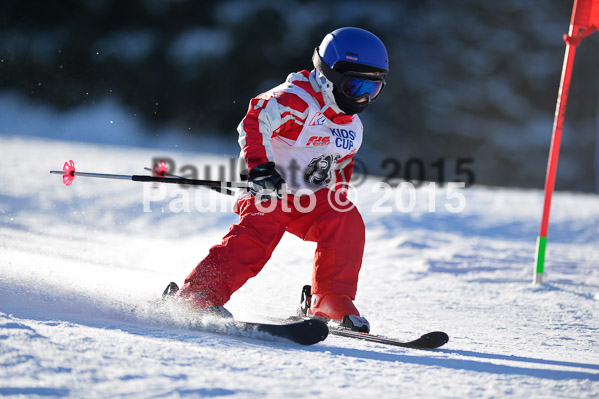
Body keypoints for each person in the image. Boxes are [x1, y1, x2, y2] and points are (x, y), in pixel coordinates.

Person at [171, 27, 388, 332]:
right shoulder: (296, 100)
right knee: (258, 235)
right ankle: (198, 295)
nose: (363, 98)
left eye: (373, 89)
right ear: (329, 76)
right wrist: (259, 169)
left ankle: (330, 299)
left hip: (306, 198)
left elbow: (340, 166)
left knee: (346, 219)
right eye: (355, 87)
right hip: (267, 189)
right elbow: (255, 119)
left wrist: (335, 197)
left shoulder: (352, 126)